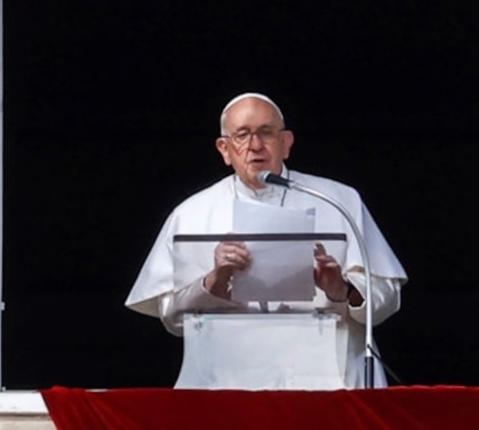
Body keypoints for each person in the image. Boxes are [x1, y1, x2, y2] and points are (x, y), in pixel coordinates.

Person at [125, 92, 407, 388]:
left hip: (327, 380)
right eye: (242, 135)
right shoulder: (192, 213)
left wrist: (342, 289)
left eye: (266, 133)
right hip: (228, 381)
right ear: (224, 149)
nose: (255, 146)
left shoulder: (339, 201)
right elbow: (174, 320)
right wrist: (216, 280)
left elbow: (385, 301)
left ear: (286, 143)